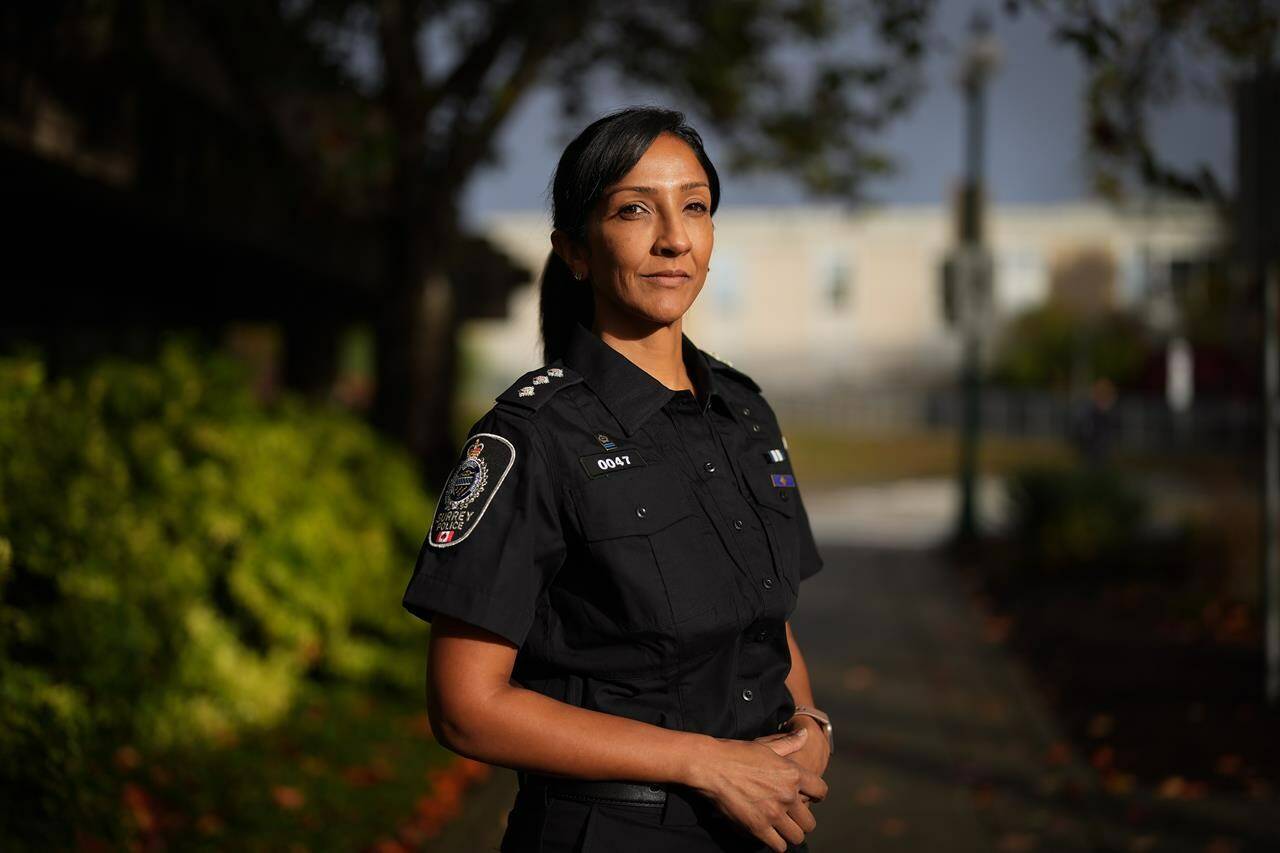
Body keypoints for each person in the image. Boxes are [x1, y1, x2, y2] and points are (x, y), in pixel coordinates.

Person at [402, 106, 832, 853]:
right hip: (611, 831)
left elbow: (769, 621)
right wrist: (705, 762)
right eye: (635, 209)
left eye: (694, 206)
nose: (673, 236)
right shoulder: (530, 437)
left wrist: (812, 725)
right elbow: (465, 706)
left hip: (762, 825)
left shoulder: (746, 413)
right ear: (573, 250)